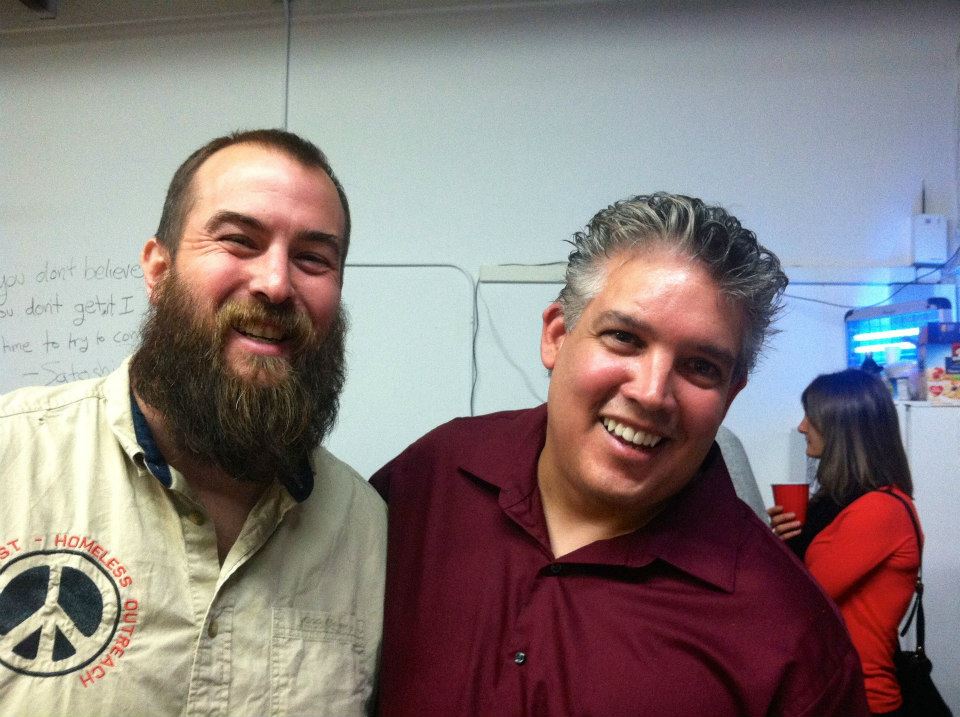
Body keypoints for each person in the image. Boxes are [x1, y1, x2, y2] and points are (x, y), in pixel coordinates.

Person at [371, 193, 870, 716]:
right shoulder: (436, 475)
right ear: (557, 336)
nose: (653, 393)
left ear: (730, 396)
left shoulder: (790, 632)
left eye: (700, 367)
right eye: (624, 338)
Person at [0, 129, 386, 715]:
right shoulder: (12, 457)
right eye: (238, 240)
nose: (276, 283)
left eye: (312, 258)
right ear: (158, 269)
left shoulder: (369, 535)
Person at [768, 369, 921, 716]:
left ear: (843, 427)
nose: (801, 427)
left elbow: (798, 599)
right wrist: (788, 536)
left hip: (860, 698)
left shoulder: (880, 509)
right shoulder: (835, 503)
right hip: (828, 691)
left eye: (811, 416)